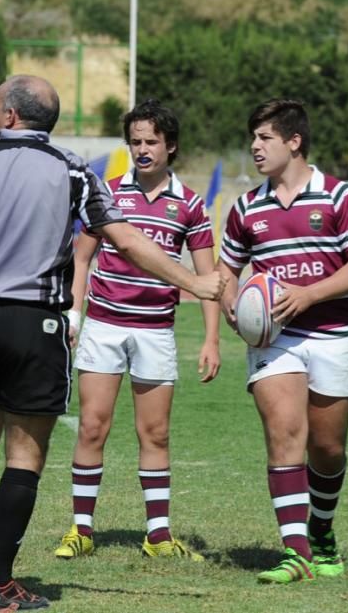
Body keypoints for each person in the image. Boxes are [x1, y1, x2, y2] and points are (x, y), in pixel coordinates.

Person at [0, 75, 224, 612]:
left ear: (9, 116)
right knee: (24, 451)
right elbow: (122, 237)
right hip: (36, 324)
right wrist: (192, 282)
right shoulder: (74, 170)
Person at [217, 98, 348, 583]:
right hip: (275, 343)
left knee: (327, 449)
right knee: (284, 434)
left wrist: (309, 294)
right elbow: (226, 269)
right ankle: (297, 552)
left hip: (331, 334)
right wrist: (231, 305)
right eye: (253, 139)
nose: (255, 147)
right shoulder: (247, 207)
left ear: (294, 141)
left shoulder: (337, 196)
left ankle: (322, 529)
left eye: (265, 138)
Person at [53, 99, 220, 561]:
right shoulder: (106, 193)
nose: (142, 150)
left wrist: (211, 339)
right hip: (104, 327)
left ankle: (159, 536)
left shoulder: (189, 204)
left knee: (156, 433)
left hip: (156, 332)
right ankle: (81, 530)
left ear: (171, 146)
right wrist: (75, 313)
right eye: (135, 141)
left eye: (151, 142)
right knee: (92, 426)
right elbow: (81, 258)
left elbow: (208, 279)